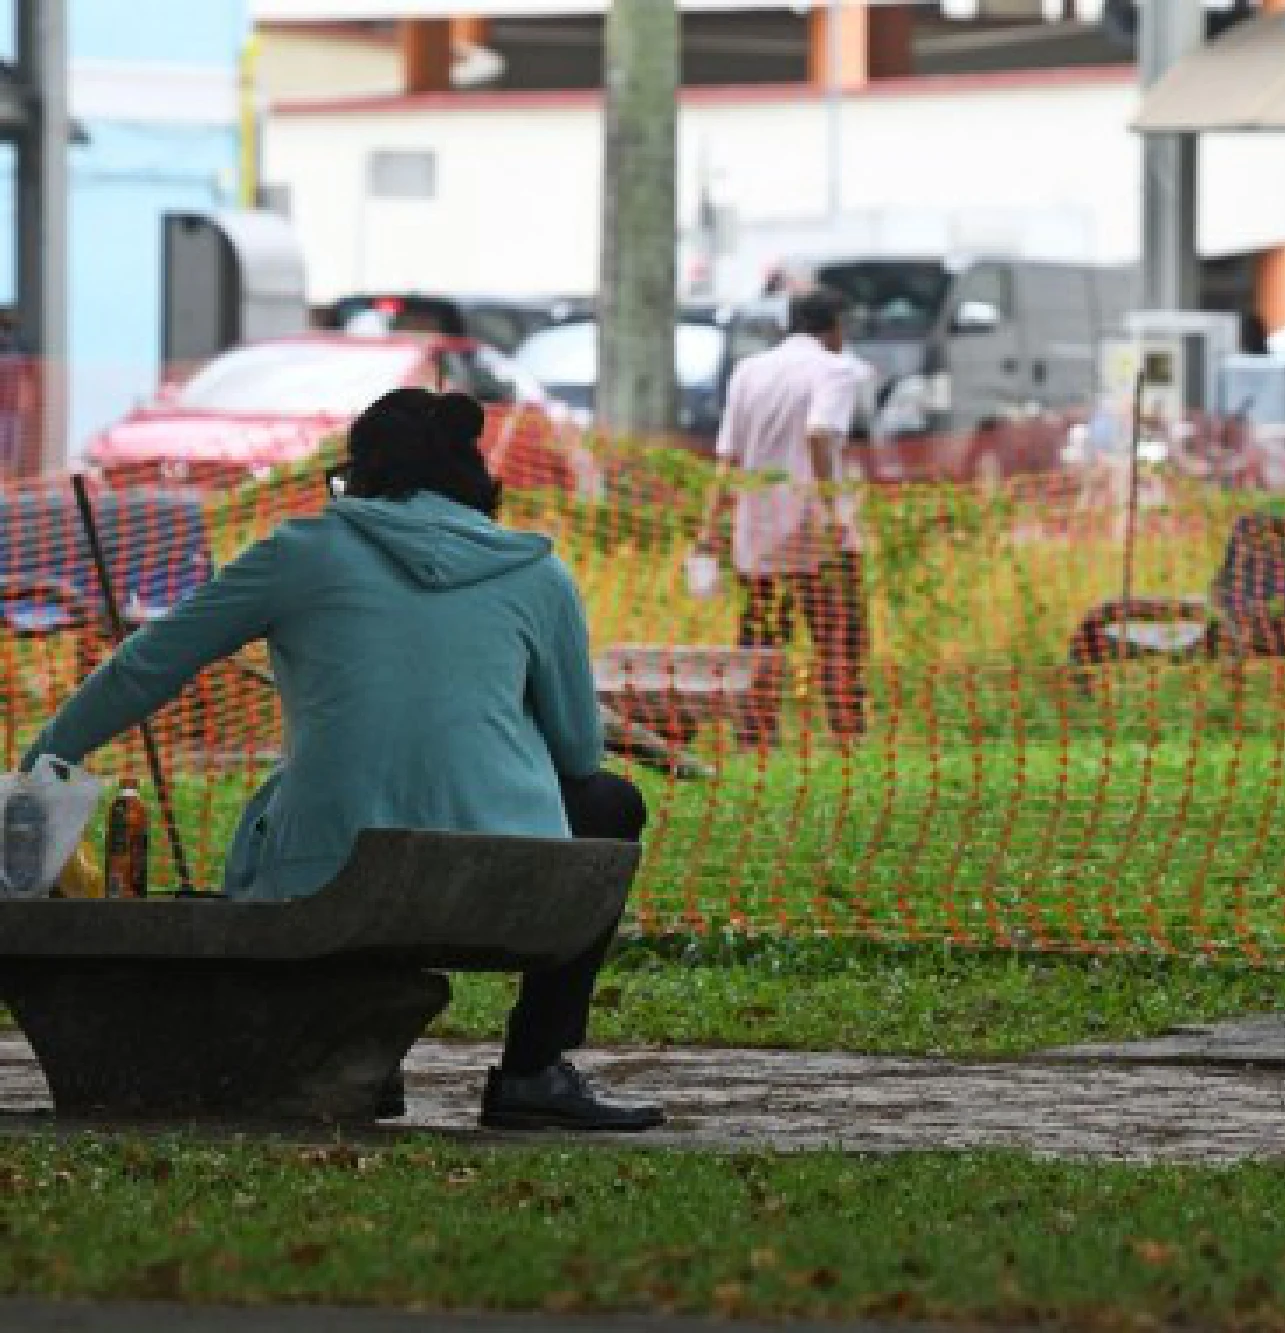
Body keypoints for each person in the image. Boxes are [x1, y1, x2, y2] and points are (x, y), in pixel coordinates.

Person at [24, 388, 662, 1132]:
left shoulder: (299, 553)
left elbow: (147, 667)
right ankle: (533, 1069)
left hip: (329, 872)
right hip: (504, 878)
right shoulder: (539, 576)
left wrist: (45, 761)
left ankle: (357, 1056)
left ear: (356, 477)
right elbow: (580, 753)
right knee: (609, 803)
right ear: (478, 482)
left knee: (303, 795)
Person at [698, 287, 869, 751]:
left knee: (761, 643)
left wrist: (708, 532)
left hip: (757, 536)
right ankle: (847, 737)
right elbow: (819, 433)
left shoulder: (750, 371)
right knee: (838, 639)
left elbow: (727, 461)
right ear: (834, 328)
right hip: (817, 535)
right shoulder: (836, 369)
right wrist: (834, 510)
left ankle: (754, 739)